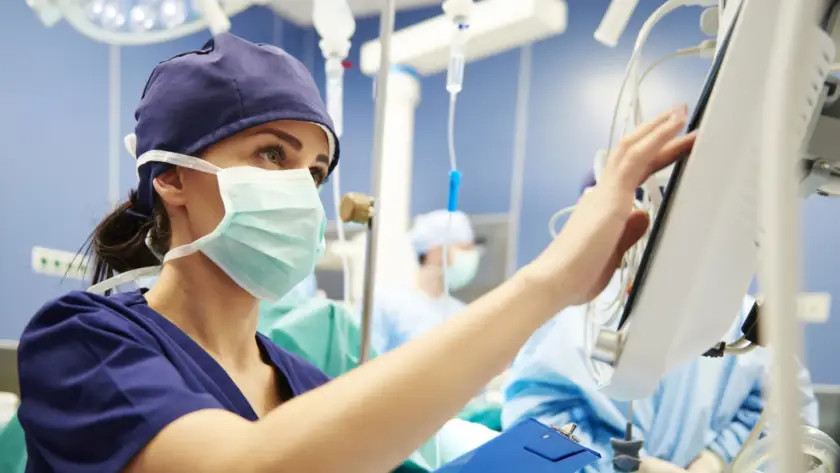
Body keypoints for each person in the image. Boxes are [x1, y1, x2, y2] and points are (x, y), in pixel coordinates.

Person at [16, 32, 696, 473]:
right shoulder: (84, 344)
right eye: (272, 153)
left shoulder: (302, 381)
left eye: (314, 172)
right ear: (171, 176)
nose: (301, 190)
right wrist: (547, 284)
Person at [502, 172, 819, 473]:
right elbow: (535, 423)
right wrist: (615, 467)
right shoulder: (576, 312)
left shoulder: (736, 318)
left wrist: (714, 459)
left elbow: (781, 412)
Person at [370, 209, 481, 354]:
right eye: (463, 248)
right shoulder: (385, 303)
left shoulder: (463, 314)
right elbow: (365, 366)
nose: (470, 256)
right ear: (434, 252)